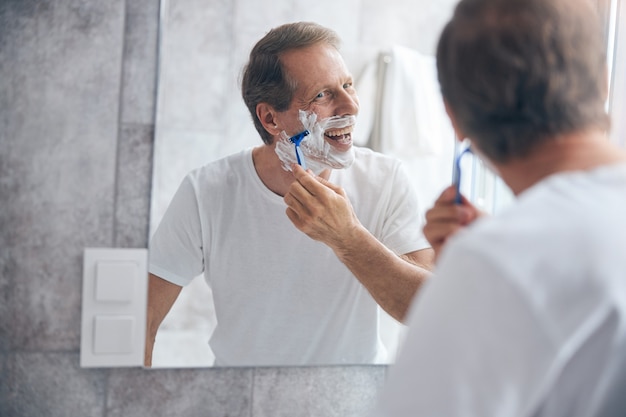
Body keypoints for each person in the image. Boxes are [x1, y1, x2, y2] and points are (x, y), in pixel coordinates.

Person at [284, 0, 626, 415]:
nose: (349, 106)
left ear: (453, 118)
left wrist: (482, 267)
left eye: (349, 87)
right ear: (603, 85)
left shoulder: (497, 263)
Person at [145, 21, 434, 367]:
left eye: (347, 85)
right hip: (241, 399)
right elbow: (140, 324)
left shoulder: (385, 180)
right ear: (270, 119)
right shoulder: (206, 192)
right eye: (323, 95)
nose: (351, 106)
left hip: (350, 401)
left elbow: (430, 311)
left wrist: (348, 238)